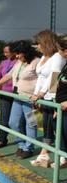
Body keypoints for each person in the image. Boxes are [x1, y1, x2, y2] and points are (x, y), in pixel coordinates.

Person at [0, 40, 40, 159]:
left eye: (19, 53)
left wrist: (39, 96)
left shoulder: (37, 62)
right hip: (18, 97)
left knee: (31, 124)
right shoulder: (19, 62)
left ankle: (29, 148)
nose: (17, 56)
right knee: (12, 122)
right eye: (16, 54)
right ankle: (21, 143)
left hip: (31, 99)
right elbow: (9, 75)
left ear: (26, 52)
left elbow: (44, 80)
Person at [30, 30, 66, 167]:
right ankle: (44, 153)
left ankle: (61, 156)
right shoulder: (43, 57)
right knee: (47, 126)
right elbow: (41, 78)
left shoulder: (57, 57)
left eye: (38, 43)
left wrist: (42, 94)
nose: (37, 46)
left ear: (46, 42)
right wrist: (36, 94)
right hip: (44, 96)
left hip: (53, 97)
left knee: (58, 127)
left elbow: (54, 77)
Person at [51, 34, 67, 168]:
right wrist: (58, 107)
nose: (59, 53)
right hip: (62, 109)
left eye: (59, 50)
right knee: (63, 137)